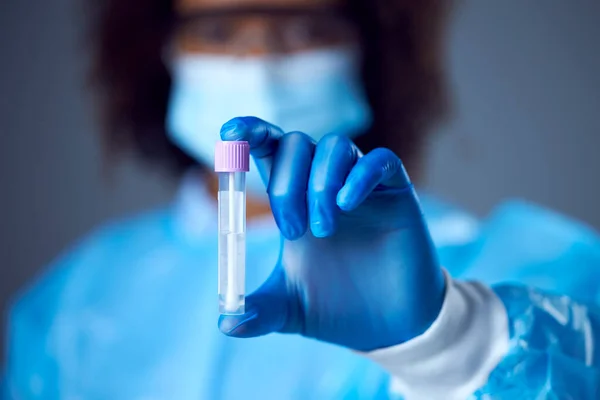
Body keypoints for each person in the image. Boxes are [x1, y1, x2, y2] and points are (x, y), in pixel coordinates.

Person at [4, 0, 600, 398]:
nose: (259, 58)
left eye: (306, 27)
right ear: (159, 51)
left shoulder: (520, 269)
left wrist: (449, 340)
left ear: (370, 48)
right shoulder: (76, 299)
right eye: (217, 29)